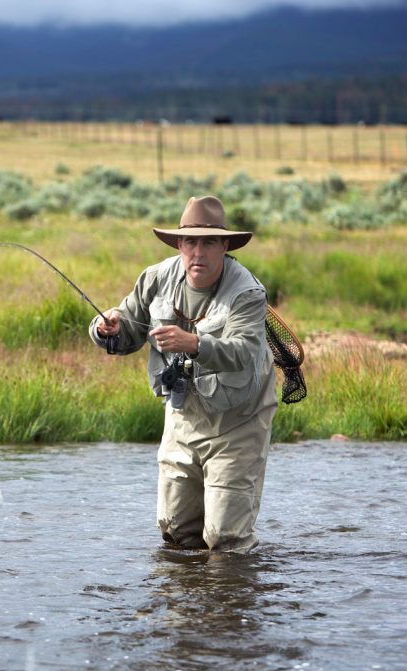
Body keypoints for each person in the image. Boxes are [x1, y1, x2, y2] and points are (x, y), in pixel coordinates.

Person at [89, 195, 277, 554]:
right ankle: (185, 608)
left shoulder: (248, 293)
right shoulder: (157, 278)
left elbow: (243, 353)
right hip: (182, 415)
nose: (198, 253)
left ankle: (230, 604)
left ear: (225, 246)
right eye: (190, 241)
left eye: (209, 242)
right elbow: (125, 330)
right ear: (179, 244)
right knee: (176, 535)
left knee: (226, 540)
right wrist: (105, 329)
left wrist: (195, 343)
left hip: (239, 421)